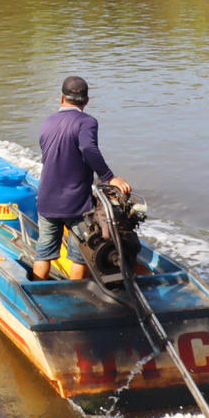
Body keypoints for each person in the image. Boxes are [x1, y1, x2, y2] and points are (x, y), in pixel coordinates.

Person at [33, 76, 131, 281]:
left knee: (43, 253)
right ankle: (76, 294)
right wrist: (109, 177)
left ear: (62, 98)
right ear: (86, 101)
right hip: (76, 204)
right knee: (79, 256)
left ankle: (37, 288)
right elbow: (87, 148)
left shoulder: (48, 122)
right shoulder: (87, 122)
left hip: (47, 200)